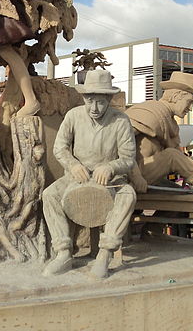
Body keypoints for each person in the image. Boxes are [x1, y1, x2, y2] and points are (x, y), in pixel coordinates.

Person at [42, 70, 137, 279]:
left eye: (100, 102)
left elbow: (129, 158)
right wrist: (73, 165)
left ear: (109, 99)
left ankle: (105, 253)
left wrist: (111, 167)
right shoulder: (73, 116)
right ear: (84, 98)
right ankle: (63, 252)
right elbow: (60, 148)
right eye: (90, 101)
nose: (94, 108)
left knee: (128, 195)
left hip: (110, 181)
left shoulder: (120, 121)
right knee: (49, 195)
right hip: (76, 176)